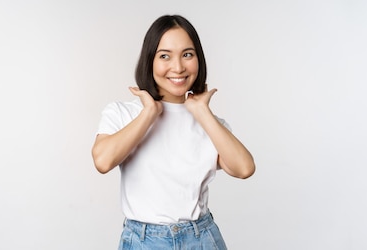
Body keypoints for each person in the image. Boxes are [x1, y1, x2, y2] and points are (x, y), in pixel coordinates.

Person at [91, 14, 255, 249]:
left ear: (198, 59)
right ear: (150, 61)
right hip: (143, 240)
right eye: (164, 56)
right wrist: (149, 113)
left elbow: (244, 168)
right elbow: (103, 161)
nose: (178, 67)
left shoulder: (210, 123)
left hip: (201, 238)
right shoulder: (122, 113)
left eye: (187, 54)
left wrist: (202, 112)